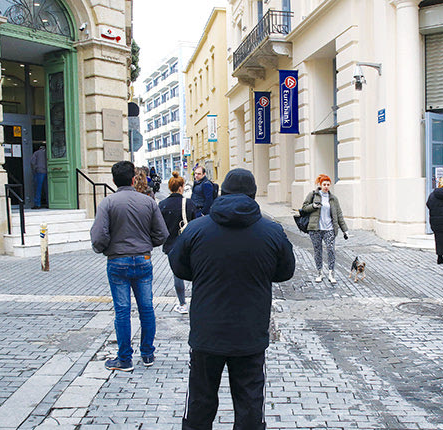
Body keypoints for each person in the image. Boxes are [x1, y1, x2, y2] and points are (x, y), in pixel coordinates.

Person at [168, 168, 295, 430]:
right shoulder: (272, 231)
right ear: (253, 194)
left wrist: (204, 273)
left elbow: (179, 267)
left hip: (207, 332)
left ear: (222, 192)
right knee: (250, 405)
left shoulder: (196, 229)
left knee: (200, 404)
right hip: (250, 333)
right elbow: (286, 271)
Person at [90, 161, 169, 371]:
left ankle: (124, 358)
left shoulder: (108, 203)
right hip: (143, 259)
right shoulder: (148, 202)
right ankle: (148, 354)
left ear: (114, 180)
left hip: (117, 260)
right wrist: (145, 244)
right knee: (146, 308)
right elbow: (162, 233)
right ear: (133, 179)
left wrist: (106, 248)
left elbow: (98, 236)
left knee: (122, 311)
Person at [158, 171, 196, 314]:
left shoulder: (162, 204)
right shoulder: (189, 203)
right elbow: (196, 222)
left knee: (177, 274)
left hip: (171, 245)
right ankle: (196, 301)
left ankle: (182, 303)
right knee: (195, 272)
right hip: (189, 243)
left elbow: (159, 227)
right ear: (181, 187)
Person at [302, 174, 349, 284]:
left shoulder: (333, 199)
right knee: (318, 251)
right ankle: (319, 272)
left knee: (331, 250)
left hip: (330, 229)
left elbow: (339, 214)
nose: (326, 186)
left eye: (328, 184)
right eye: (324, 184)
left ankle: (331, 273)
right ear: (320, 184)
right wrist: (313, 206)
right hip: (315, 229)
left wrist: (345, 230)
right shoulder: (312, 195)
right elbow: (304, 208)